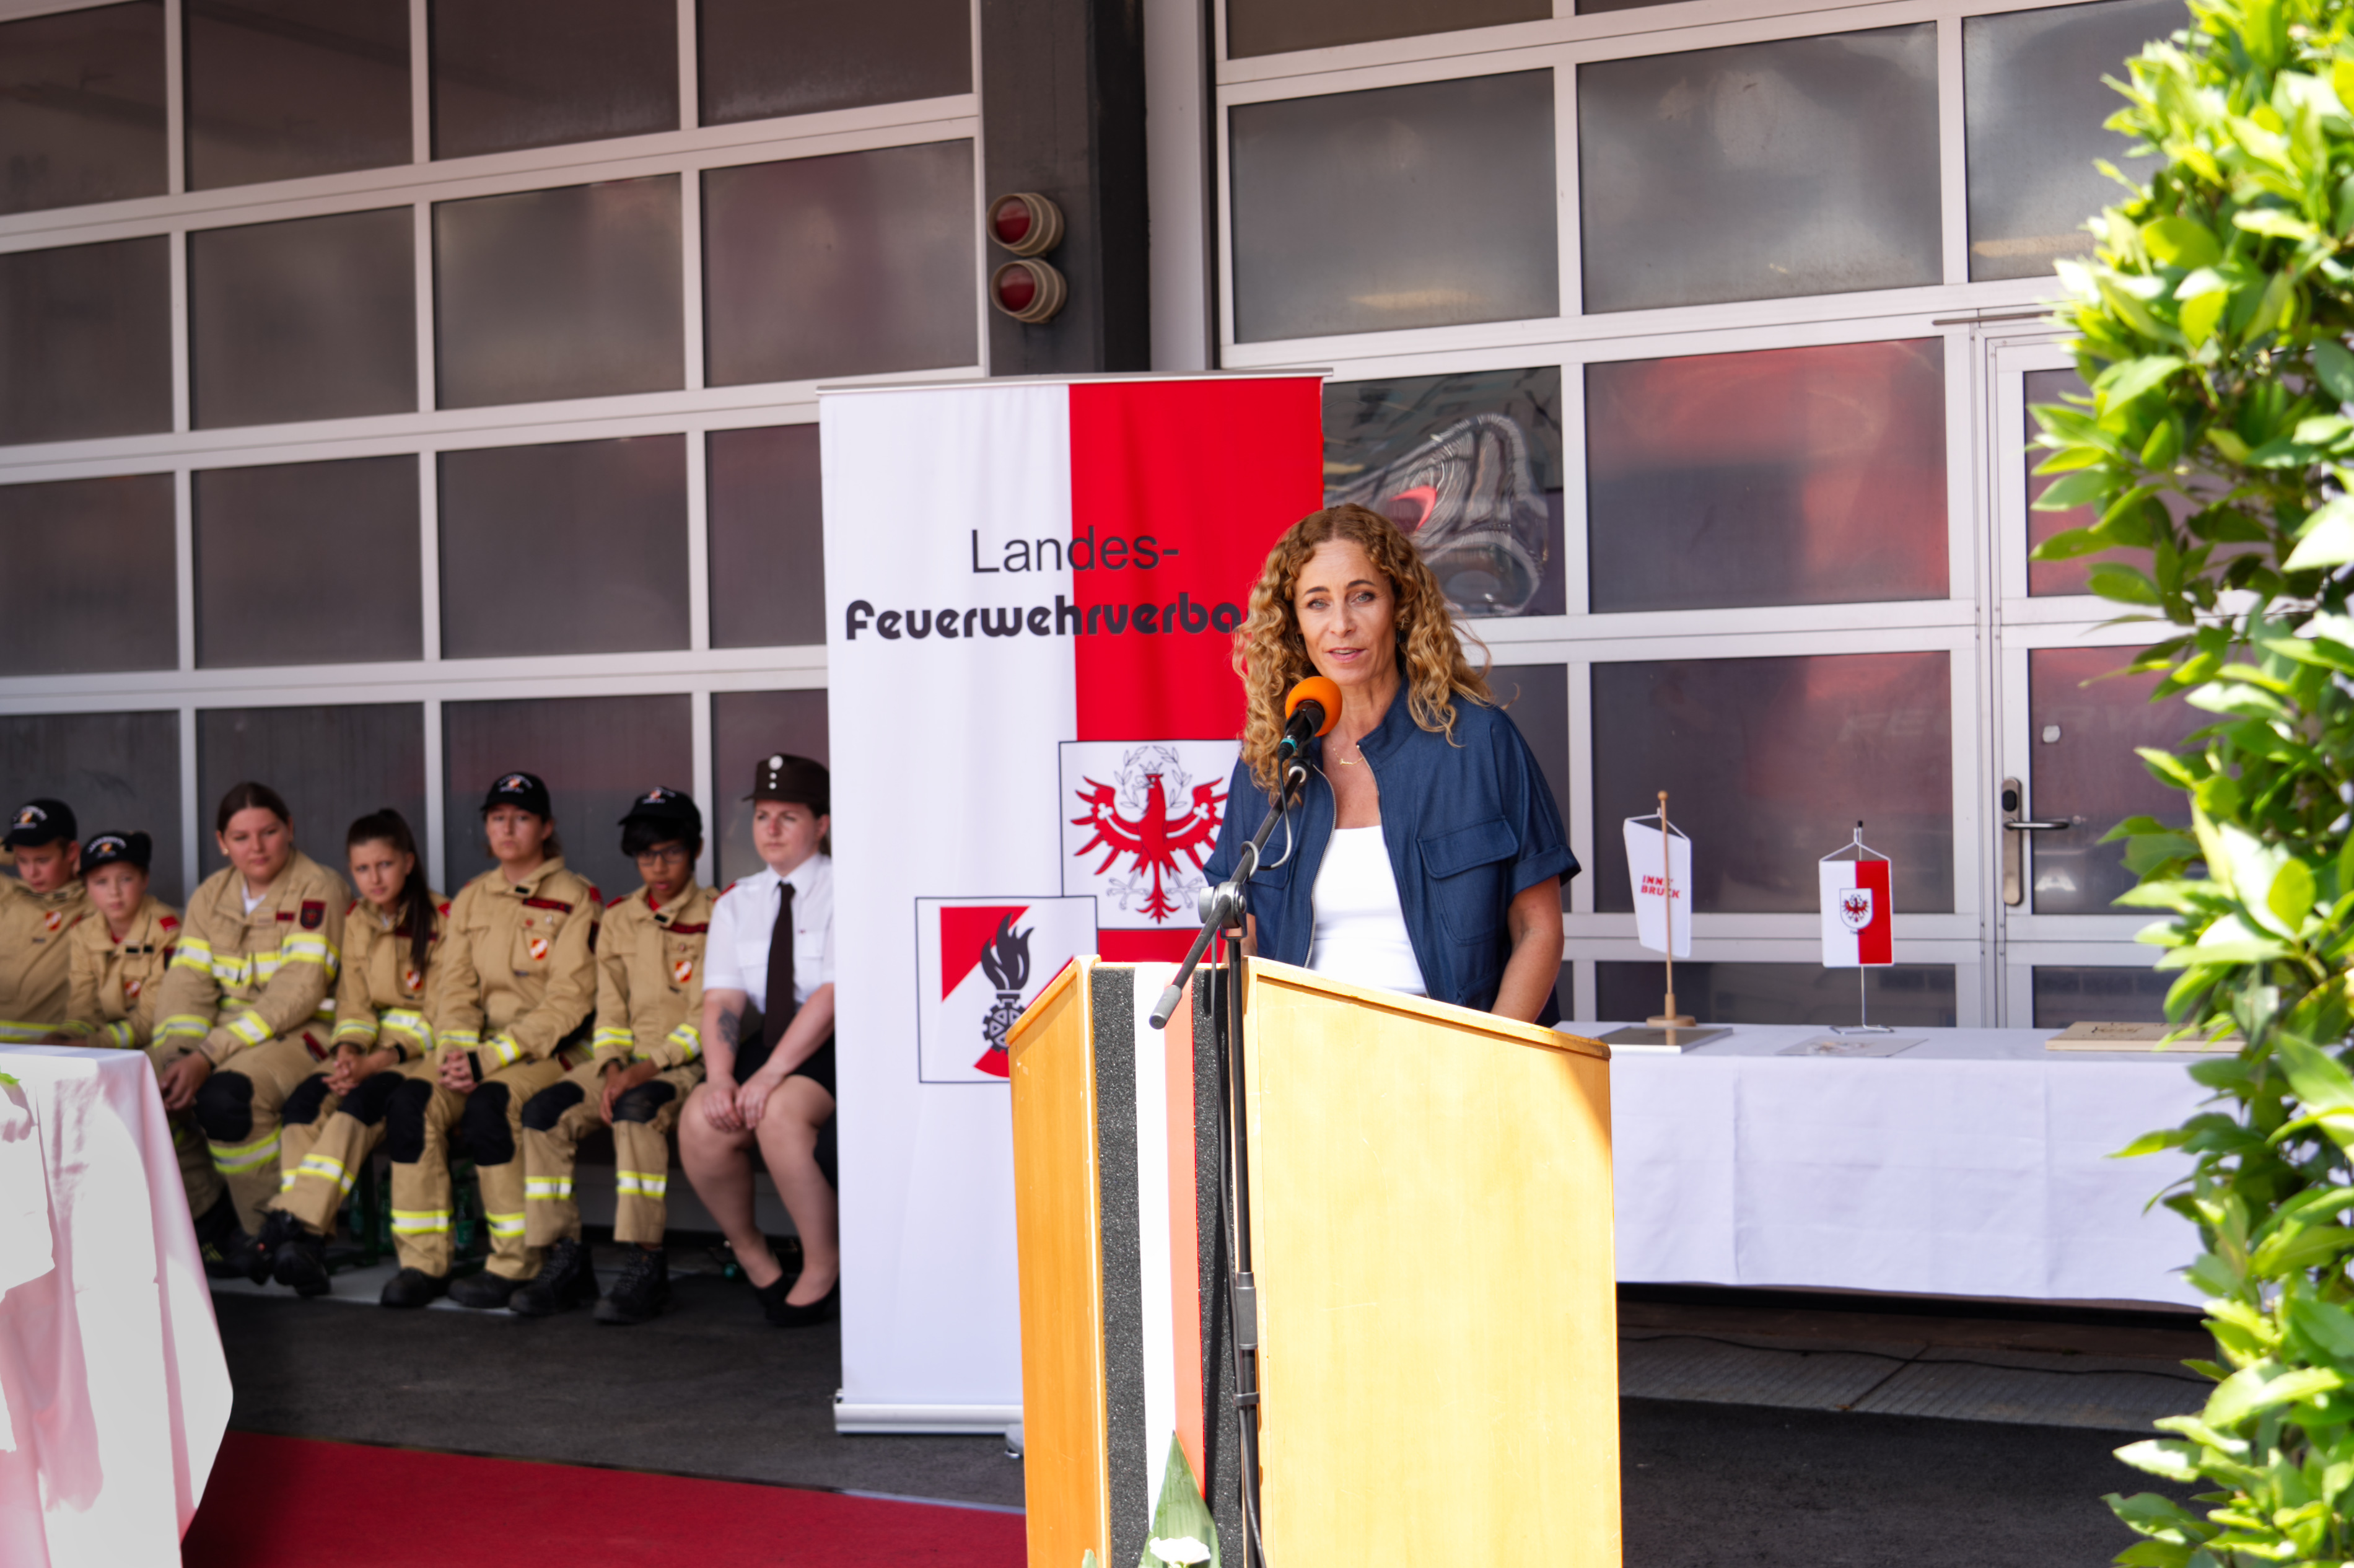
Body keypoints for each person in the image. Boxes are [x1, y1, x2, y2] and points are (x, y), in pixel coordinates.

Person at [1203, 503, 1575, 1023]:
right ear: (1294, 623)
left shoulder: (1479, 740)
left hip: (1450, 1056)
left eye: (1363, 596)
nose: (1341, 625)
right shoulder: (1271, 759)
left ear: (1399, 606)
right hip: (1301, 1057)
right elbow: (1241, 938)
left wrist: (1489, 1062)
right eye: (1317, 603)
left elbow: (1539, 930)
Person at [380, 771, 599, 1310]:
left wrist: (490, 1058)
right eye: (498, 817)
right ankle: (423, 1264)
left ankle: (515, 1262)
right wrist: (456, 1052)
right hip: (475, 1053)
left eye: (521, 817)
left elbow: (570, 1001)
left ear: (545, 827)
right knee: (412, 1101)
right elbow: (455, 986)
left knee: (490, 1107)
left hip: (550, 1053)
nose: (508, 827)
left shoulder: (576, 897)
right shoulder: (473, 897)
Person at [513, 786, 712, 1323]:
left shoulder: (719, 913)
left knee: (636, 1108)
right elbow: (610, 1013)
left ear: (695, 849)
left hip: (689, 1063)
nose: (659, 866)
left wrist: (644, 1071)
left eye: (671, 851)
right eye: (648, 855)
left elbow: (708, 1018)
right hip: (622, 1063)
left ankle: (646, 1262)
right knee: (543, 1112)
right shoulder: (621, 918)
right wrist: (615, 1068)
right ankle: (566, 1257)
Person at [152, 783, 351, 1278]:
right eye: (241, 837)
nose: (257, 847)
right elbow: (186, 987)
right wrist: (178, 1055)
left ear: (290, 830)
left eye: (269, 832)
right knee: (144, 1087)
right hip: (227, 1039)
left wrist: (208, 1056)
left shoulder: (318, 885)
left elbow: (298, 992)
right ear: (222, 842)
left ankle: (268, 1231)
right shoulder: (211, 894)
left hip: (306, 1034)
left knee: (228, 1097)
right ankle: (210, 1217)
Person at [261, 810, 448, 1297]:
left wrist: (376, 1062)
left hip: (419, 1054)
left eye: (384, 865)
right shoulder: (358, 921)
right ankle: (310, 1248)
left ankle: (293, 1225)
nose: (374, 878)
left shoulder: (444, 919)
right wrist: (347, 1052)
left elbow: (448, 1014)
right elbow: (355, 1004)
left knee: (356, 1107)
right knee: (304, 1104)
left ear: (408, 862)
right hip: (370, 1053)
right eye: (362, 869)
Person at [680, 754, 838, 1326]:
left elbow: (832, 995)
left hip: (839, 1046)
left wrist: (769, 1075)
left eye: (788, 817)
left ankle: (825, 1264)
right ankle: (752, 1253)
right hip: (771, 1044)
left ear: (821, 825)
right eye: (763, 815)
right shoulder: (737, 901)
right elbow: (723, 1000)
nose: (770, 829)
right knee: (702, 1117)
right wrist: (721, 1076)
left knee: (777, 1115)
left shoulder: (846, 890)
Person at [50, 831, 240, 1259]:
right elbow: (82, 1006)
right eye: (100, 882)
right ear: (87, 887)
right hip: (110, 1054)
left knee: (155, 1109)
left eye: (126, 878)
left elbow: (152, 1017)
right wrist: (68, 1036)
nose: (114, 892)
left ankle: (207, 1216)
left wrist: (91, 1043)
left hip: (163, 1046)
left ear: (146, 879)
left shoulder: (169, 929)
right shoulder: (84, 934)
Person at [0, 798, 90, 1043]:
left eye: (42, 860)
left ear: (72, 852)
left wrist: (90, 865)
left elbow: (129, 854)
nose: (32, 873)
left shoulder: (93, 901)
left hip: (51, 1053)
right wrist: (12, 849)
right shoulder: (8, 894)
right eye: (22, 860)